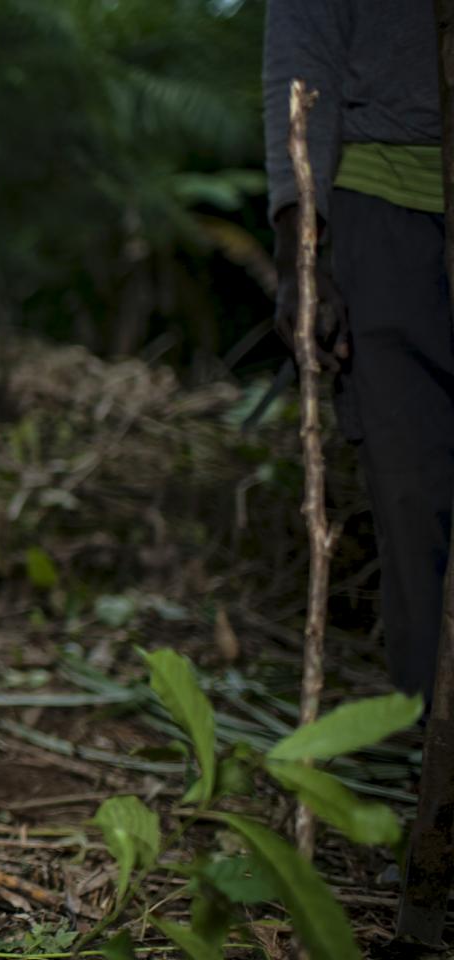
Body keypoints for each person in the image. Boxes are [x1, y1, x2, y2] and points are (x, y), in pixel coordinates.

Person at [263, 0, 449, 707]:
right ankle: (435, 772)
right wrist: (300, 249)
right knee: (416, 501)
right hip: (384, 216)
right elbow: (299, 57)